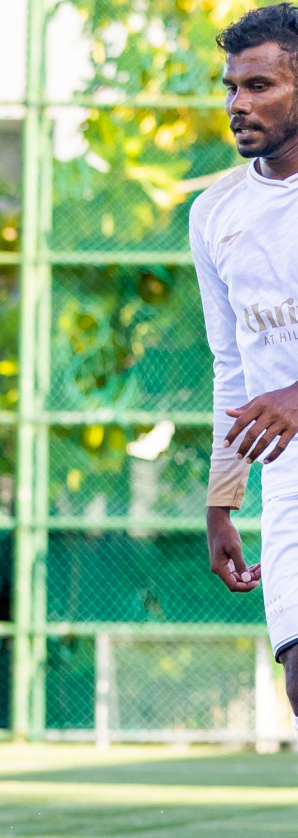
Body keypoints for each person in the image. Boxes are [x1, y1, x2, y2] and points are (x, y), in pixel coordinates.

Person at [196, 3, 298, 743]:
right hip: (287, 483)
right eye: (232, 87)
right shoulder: (214, 213)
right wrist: (221, 500)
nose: (238, 103)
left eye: (259, 86)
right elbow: (231, 367)